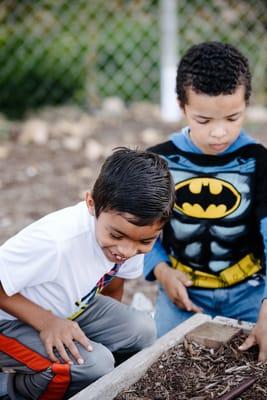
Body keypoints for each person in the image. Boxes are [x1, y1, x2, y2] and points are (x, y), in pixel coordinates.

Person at [0, 147, 175, 400]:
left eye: (145, 241)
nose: (126, 250)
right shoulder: (56, 241)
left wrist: (103, 337)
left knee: (142, 329)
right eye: (116, 235)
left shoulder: (130, 240)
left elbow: (114, 285)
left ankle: (101, 380)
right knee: (93, 364)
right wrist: (48, 323)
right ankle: (10, 388)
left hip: (67, 309)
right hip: (9, 320)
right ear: (91, 204)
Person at [144, 41, 267, 361]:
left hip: (250, 292)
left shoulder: (257, 160)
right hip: (182, 293)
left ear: (246, 104)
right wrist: (160, 270)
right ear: (181, 106)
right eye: (204, 120)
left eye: (233, 117)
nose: (219, 133)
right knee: (156, 359)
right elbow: (138, 229)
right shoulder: (160, 159)